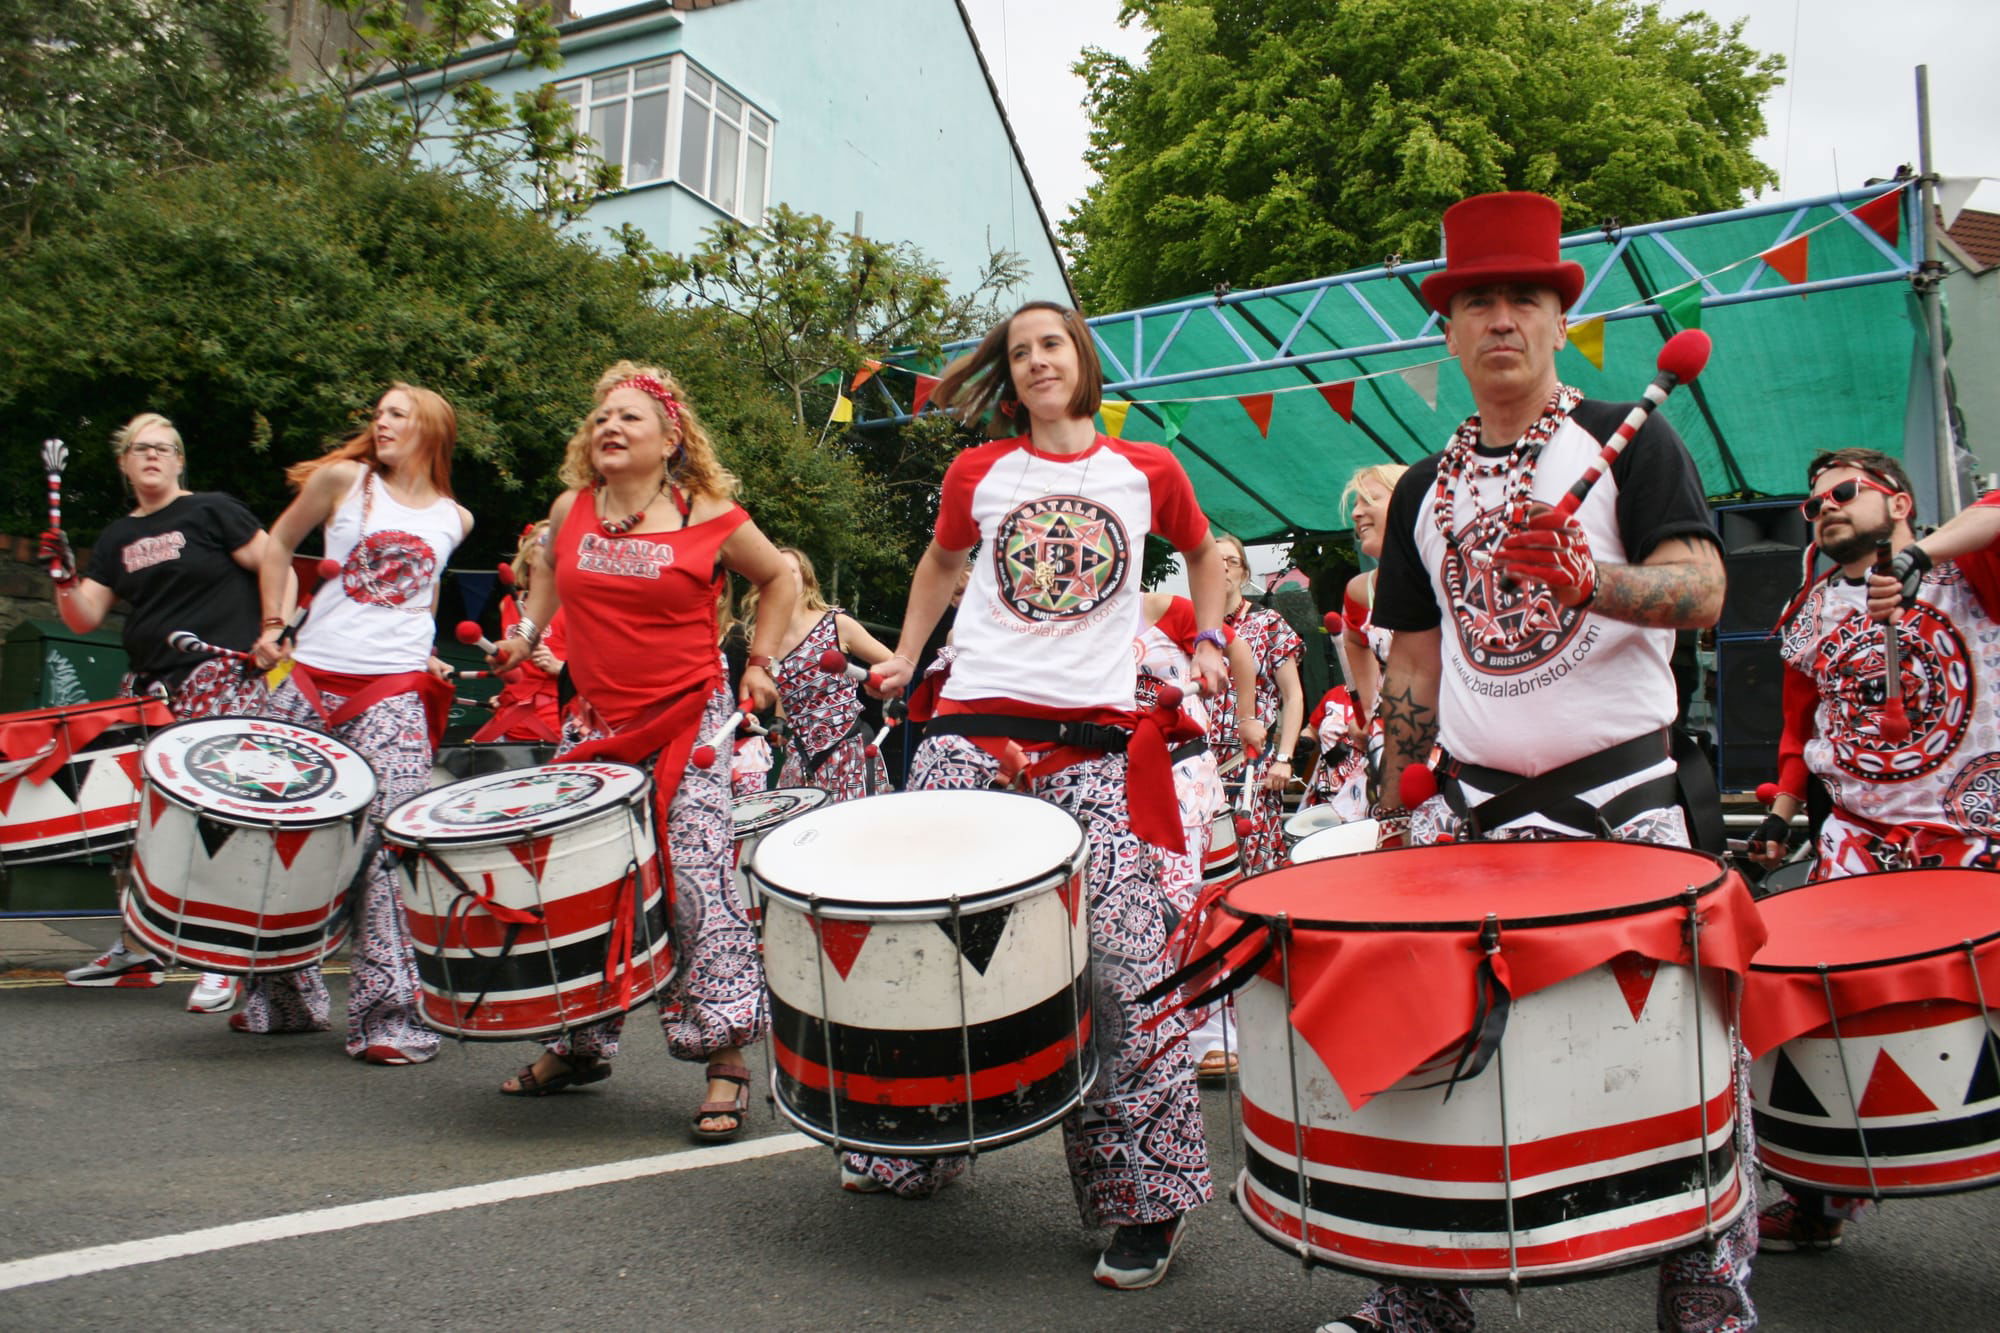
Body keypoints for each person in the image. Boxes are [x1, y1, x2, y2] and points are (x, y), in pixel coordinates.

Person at [1324, 192, 1749, 1333]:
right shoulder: (1418, 491)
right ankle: (1420, 1298)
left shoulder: (1627, 437)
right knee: (1437, 1062)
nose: (1499, 319)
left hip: (1623, 807)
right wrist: (1385, 806)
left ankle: (1707, 1302)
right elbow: (1411, 666)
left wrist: (1590, 582)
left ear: (1558, 321)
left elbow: (1703, 592)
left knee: (1678, 1050)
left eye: (1522, 298)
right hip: (1471, 821)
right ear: (1449, 332)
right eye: (1476, 302)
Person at [859, 300, 1232, 1292]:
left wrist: (1205, 637)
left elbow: (1201, 552)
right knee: (923, 949)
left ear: (1082, 361)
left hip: (1097, 751)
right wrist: (904, 657)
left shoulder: (1145, 469)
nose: (1034, 362)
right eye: (1018, 351)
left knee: (1120, 970)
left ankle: (1144, 1207)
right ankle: (911, 1145)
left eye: (1050, 344)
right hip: (967, 734)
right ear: (1009, 373)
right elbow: (940, 562)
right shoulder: (978, 472)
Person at [486, 361, 794, 1140]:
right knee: (585, 886)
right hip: (594, 726)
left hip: (687, 722)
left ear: (670, 440)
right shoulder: (573, 508)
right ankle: (580, 1044)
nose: (610, 429)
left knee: (694, 882)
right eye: (600, 419)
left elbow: (780, 577)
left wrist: (759, 661)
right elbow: (551, 565)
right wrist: (525, 635)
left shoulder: (711, 513)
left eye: (629, 419)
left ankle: (726, 1058)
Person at [1751, 448, 2000, 1251]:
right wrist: (1782, 817)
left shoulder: (1970, 570)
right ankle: (1820, 1198)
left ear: (1899, 501)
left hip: (1975, 838)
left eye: (1843, 492)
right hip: (1855, 848)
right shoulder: (1806, 612)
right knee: (1819, 1019)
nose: (1822, 507)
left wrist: (1921, 558)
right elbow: (1799, 729)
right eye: (1811, 501)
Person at [244, 383, 469, 1066]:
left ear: (430, 427)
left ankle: (389, 1018)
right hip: (309, 682)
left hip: (393, 694)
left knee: (390, 853)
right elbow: (277, 547)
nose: (382, 420)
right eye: (379, 411)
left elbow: (423, 593)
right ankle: (283, 997)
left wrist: (420, 647)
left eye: (398, 412)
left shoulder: (457, 519)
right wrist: (274, 626)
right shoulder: (343, 480)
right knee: (287, 840)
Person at [46, 413, 278, 1013]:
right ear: (125, 464)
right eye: (139, 448)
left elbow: (274, 560)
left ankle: (223, 959)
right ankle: (139, 949)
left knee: (221, 819)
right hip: (147, 691)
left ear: (179, 461)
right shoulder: (118, 536)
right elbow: (82, 617)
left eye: (163, 448)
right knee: (132, 821)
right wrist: (63, 573)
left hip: (219, 682)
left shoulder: (212, 511)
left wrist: (276, 628)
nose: (151, 455)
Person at [1136, 591, 1258, 1080]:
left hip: (1180, 776)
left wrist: (1247, 718)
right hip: (1109, 778)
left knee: (1186, 907)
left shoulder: (1168, 610)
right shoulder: (1069, 624)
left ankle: (1209, 1034)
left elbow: (1239, 651)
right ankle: (1151, 1030)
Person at [757, 546, 895, 800]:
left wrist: (877, 683)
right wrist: (779, 720)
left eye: (791, 572)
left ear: (806, 580)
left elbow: (893, 662)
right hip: (801, 758)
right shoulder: (767, 641)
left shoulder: (835, 623)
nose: (784, 578)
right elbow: (788, 688)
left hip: (848, 752)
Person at [1206, 532, 1304, 875]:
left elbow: (1293, 696)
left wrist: (1284, 758)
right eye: (1214, 560)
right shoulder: (1188, 625)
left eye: (1231, 561)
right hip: (1199, 764)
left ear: (1244, 573)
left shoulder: (1269, 624)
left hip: (1250, 761)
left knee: (1257, 859)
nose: (1223, 567)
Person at [471, 521, 565, 744]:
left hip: (557, 726)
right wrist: (505, 695)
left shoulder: (576, 605)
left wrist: (560, 667)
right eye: (545, 541)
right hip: (510, 719)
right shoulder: (508, 604)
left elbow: (602, 670)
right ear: (529, 554)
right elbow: (518, 670)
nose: (553, 549)